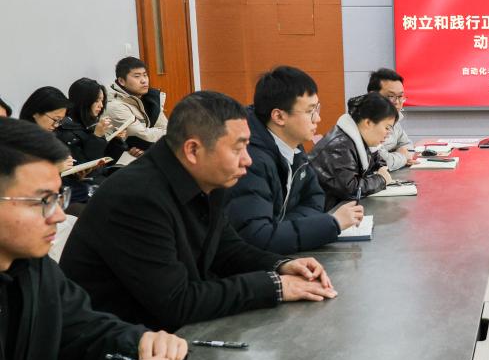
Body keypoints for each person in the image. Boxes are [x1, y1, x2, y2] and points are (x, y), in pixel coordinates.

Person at [0, 118, 188, 360]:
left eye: (59, 197)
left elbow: (84, 332)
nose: (59, 215)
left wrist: (141, 343)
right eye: (43, 201)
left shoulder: (34, 269)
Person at [60, 91, 336, 332]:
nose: (247, 160)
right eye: (238, 149)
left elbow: (226, 249)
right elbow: (177, 302)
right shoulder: (136, 198)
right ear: (193, 150)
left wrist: (281, 265)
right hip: (120, 350)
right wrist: (275, 286)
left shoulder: (206, 178)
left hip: (166, 337)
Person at [226, 66, 363, 253]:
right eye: (310, 111)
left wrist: (281, 228)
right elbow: (256, 237)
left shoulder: (293, 145)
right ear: (279, 116)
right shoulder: (249, 160)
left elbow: (315, 198)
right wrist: (331, 224)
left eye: (317, 108)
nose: (318, 118)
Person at [310, 93, 397, 208]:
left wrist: (381, 168)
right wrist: (381, 179)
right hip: (324, 212)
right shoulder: (339, 146)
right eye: (387, 128)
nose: (388, 134)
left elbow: (377, 160)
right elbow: (350, 189)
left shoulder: (361, 138)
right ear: (368, 123)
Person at [55, 78, 129, 206]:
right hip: (83, 186)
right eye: (96, 101)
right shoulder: (65, 130)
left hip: (97, 179)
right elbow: (85, 168)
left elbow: (104, 161)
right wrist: (97, 137)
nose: (101, 105)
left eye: (102, 100)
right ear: (83, 102)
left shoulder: (89, 122)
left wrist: (117, 141)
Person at [104, 57, 168, 159]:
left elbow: (168, 130)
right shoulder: (115, 106)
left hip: (144, 156)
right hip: (121, 162)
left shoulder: (149, 98)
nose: (144, 80)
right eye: (137, 76)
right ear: (121, 81)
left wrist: (148, 146)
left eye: (145, 75)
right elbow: (144, 137)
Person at [367, 68, 414, 171]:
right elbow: (381, 162)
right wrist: (402, 157)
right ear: (372, 96)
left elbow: (408, 146)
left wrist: (397, 156)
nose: (397, 102)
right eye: (391, 96)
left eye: (400, 96)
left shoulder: (394, 118)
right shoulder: (367, 123)